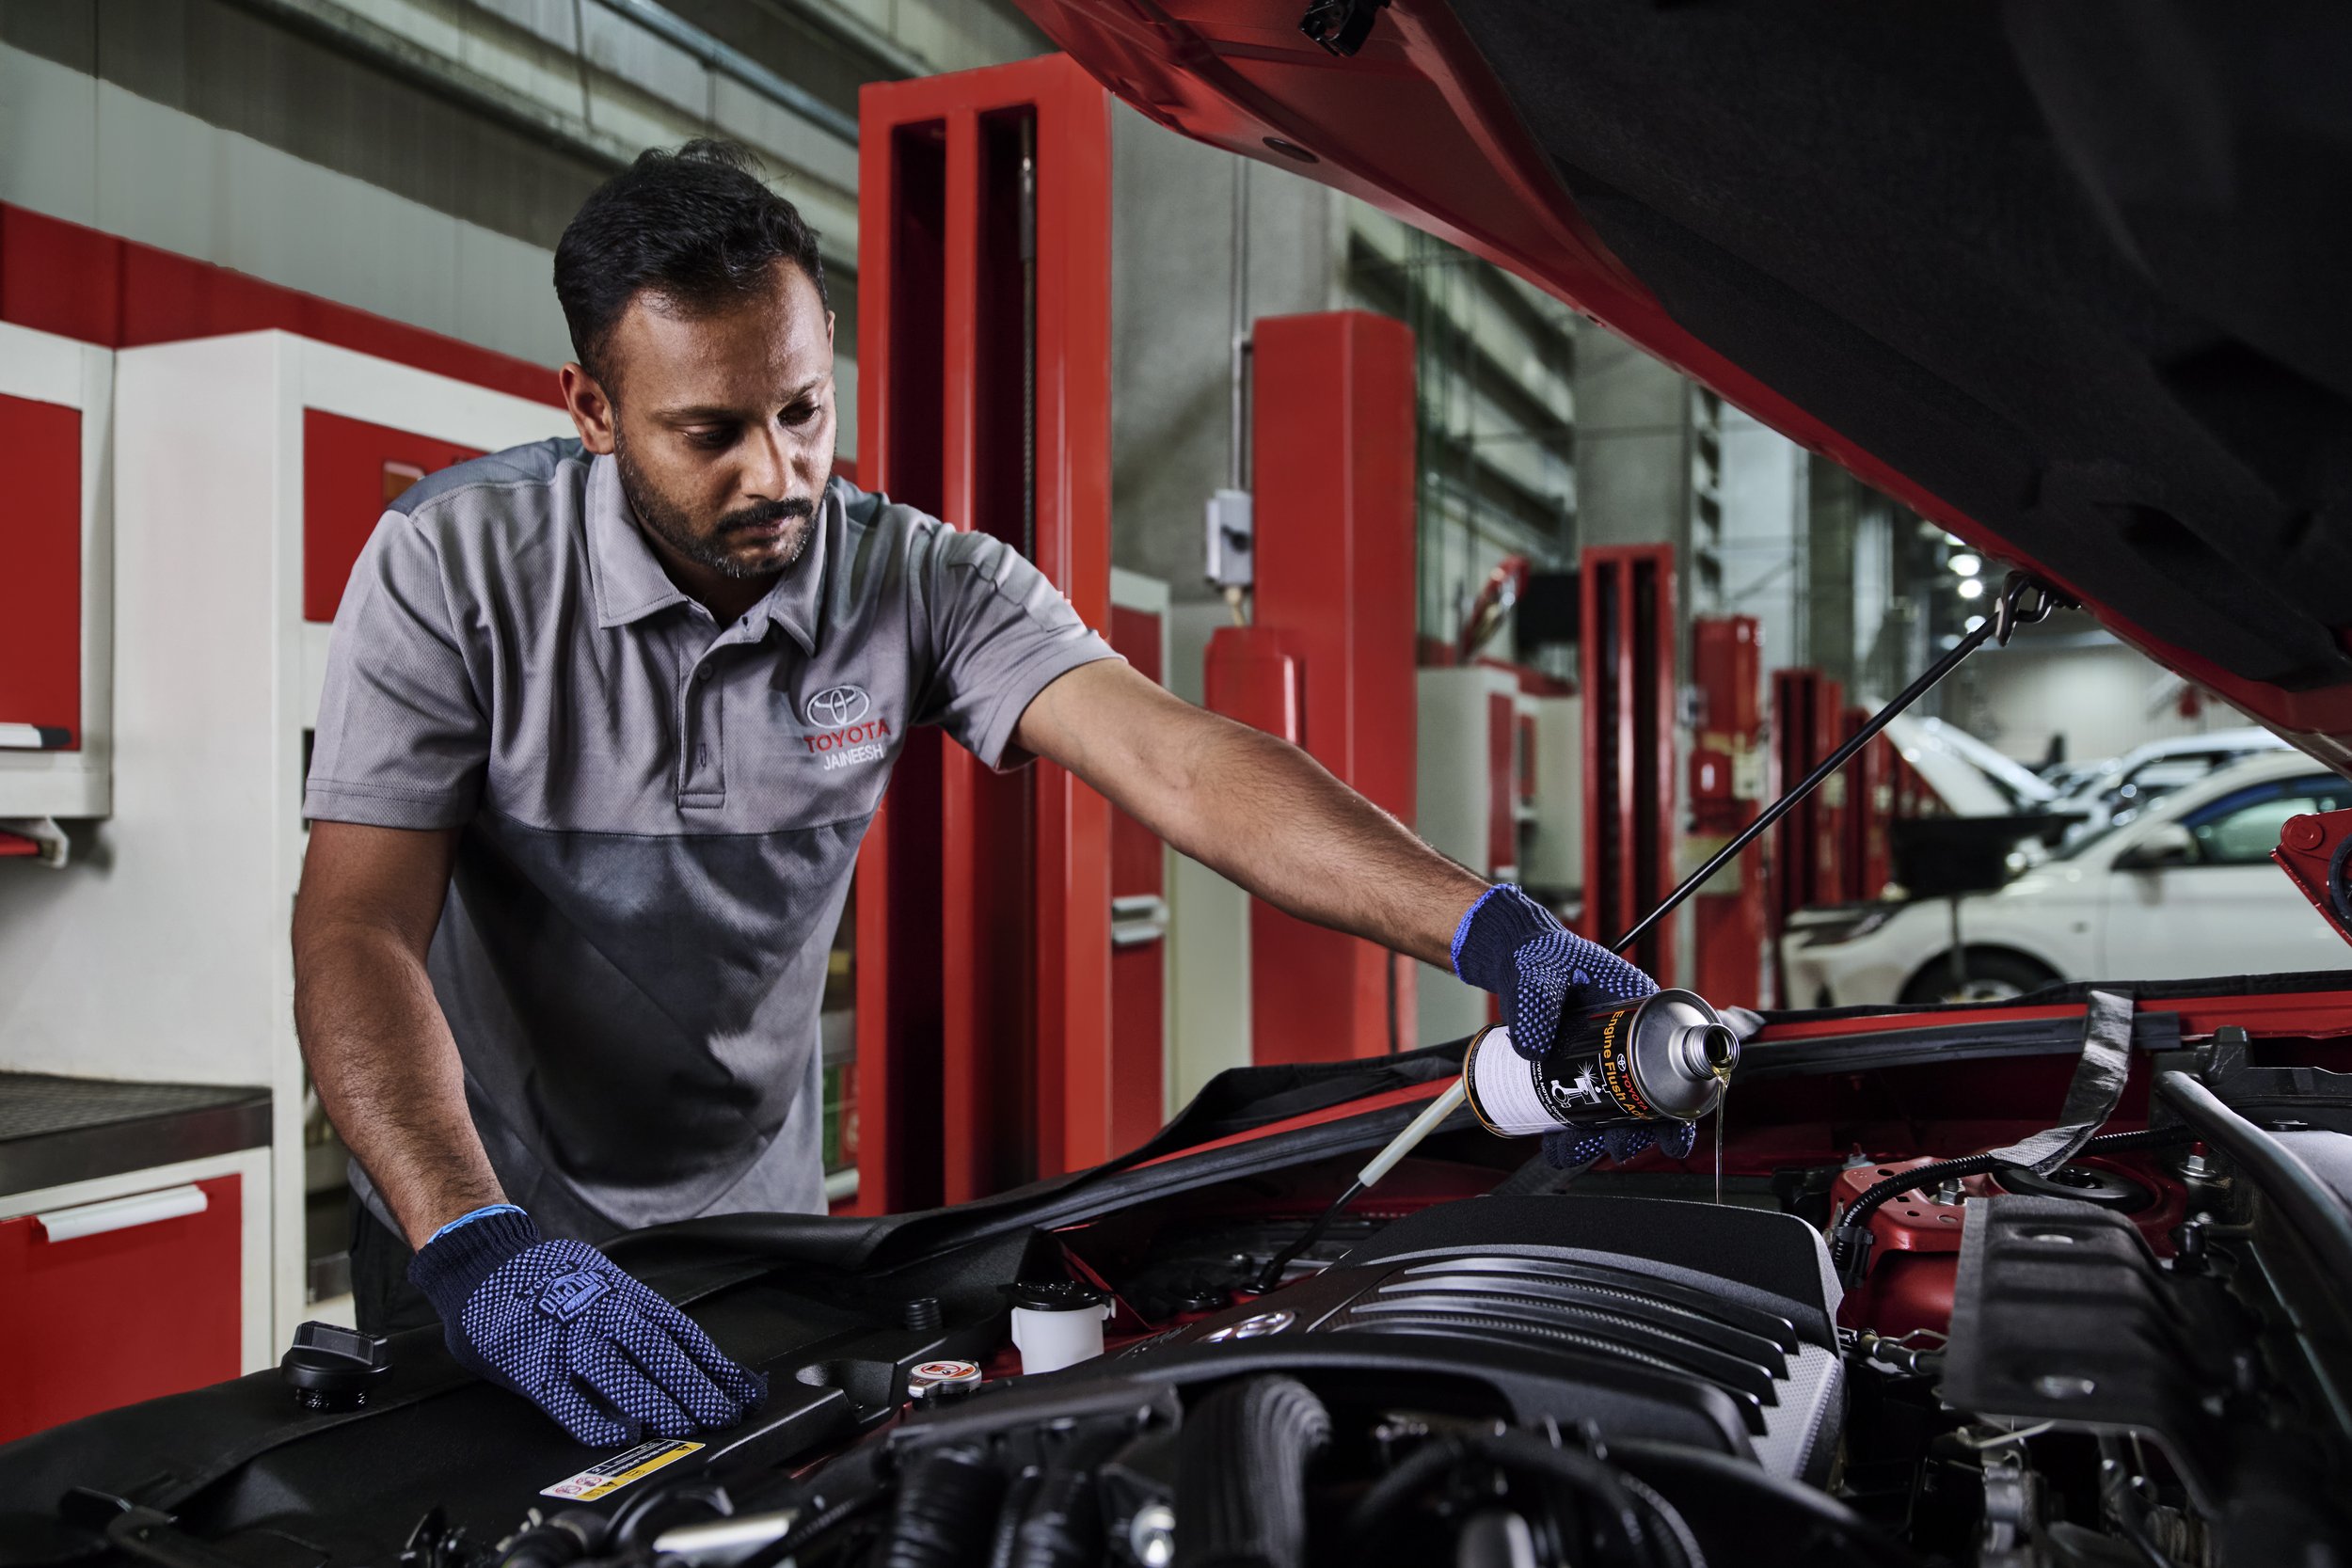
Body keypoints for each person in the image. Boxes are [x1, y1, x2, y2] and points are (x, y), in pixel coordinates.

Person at [292, 140, 1653, 1448]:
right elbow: (355, 923)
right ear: (592, 411)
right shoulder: (451, 567)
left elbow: (1182, 759)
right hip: (478, 1215)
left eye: (805, 410)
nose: (778, 476)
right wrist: (471, 1235)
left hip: (751, 1222)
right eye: (710, 431)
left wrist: (1489, 927)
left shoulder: (921, 579)